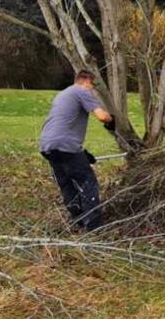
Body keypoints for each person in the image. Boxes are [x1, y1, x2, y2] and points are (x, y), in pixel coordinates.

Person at [39, 69, 114, 231]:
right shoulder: (82, 90)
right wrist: (111, 120)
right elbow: (101, 116)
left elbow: (64, 125)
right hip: (65, 145)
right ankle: (94, 226)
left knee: (67, 183)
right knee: (89, 183)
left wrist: (83, 154)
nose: (93, 89)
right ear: (86, 81)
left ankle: (78, 220)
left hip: (48, 145)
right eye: (93, 85)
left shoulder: (63, 94)